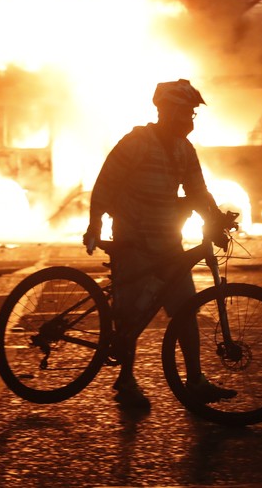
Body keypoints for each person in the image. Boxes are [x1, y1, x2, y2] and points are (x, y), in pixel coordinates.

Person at [83, 79, 237, 410]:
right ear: (166, 111)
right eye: (185, 112)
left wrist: (215, 219)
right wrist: (94, 224)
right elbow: (105, 184)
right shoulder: (136, 143)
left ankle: (195, 381)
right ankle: (125, 381)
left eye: (193, 113)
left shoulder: (184, 149)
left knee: (186, 309)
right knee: (132, 315)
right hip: (133, 242)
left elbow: (197, 191)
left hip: (169, 243)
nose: (190, 120)